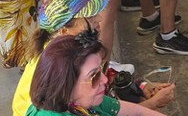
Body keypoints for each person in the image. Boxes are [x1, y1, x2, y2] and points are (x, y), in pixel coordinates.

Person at [13, 0, 176, 115]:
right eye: (90, 18)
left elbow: (103, 76)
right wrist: (152, 104)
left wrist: (140, 85)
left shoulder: (67, 53)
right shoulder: (57, 73)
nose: (99, 19)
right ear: (64, 31)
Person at [26, 34, 164, 116]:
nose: (104, 79)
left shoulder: (78, 100)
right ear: (66, 83)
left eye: (101, 69)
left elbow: (137, 112)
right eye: (94, 76)